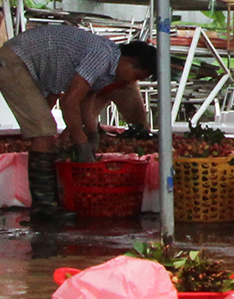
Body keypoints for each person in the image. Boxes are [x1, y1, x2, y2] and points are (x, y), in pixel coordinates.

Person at [0, 25, 157, 222]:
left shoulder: (108, 69)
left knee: (44, 129)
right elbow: (69, 102)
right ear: (130, 61)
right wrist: (81, 141)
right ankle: (44, 207)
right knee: (44, 130)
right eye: (136, 76)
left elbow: (85, 102)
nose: (131, 83)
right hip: (15, 60)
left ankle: (46, 204)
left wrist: (91, 133)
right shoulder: (102, 56)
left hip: (27, 62)